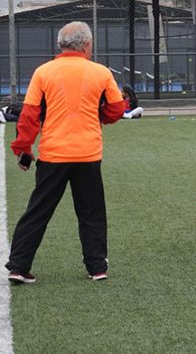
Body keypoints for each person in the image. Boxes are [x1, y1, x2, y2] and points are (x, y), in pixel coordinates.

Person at [6, 21, 125, 284]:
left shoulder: (43, 72)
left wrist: (23, 148)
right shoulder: (101, 72)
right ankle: (97, 267)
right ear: (86, 45)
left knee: (37, 212)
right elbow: (117, 109)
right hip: (88, 154)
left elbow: (29, 115)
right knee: (92, 212)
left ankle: (19, 267)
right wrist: (99, 116)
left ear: (61, 44)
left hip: (53, 155)